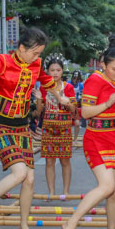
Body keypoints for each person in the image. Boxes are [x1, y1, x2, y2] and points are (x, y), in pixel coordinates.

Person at [0, 27, 71, 229]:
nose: (37, 57)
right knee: (20, 173)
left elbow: (48, 83)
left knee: (29, 179)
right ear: (21, 48)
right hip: (1, 124)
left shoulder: (36, 64)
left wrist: (60, 98)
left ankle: (23, 224)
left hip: (22, 125)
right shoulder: (2, 61)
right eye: (34, 52)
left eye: (39, 54)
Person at [61, 35, 115, 229]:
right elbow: (85, 113)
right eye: (114, 69)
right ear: (103, 64)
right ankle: (72, 221)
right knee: (107, 186)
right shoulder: (95, 80)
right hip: (96, 139)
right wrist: (108, 104)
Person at [36, 55, 77, 197]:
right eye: (52, 70)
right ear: (47, 71)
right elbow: (39, 112)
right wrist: (38, 100)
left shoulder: (69, 87)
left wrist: (65, 102)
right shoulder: (43, 88)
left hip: (64, 127)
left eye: (58, 70)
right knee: (49, 161)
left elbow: (73, 110)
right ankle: (51, 192)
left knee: (65, 160)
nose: (55, 73)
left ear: (62, 71)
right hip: (48, 127)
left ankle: (65, 191)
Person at [70, 71, 86, 141]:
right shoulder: (67, 84)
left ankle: (75, 139)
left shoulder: (80, 85)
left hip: (76, 105)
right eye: (74, 78)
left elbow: (83, 94)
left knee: (77, 124)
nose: (75, 80)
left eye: (77, 79)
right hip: (68, 105)